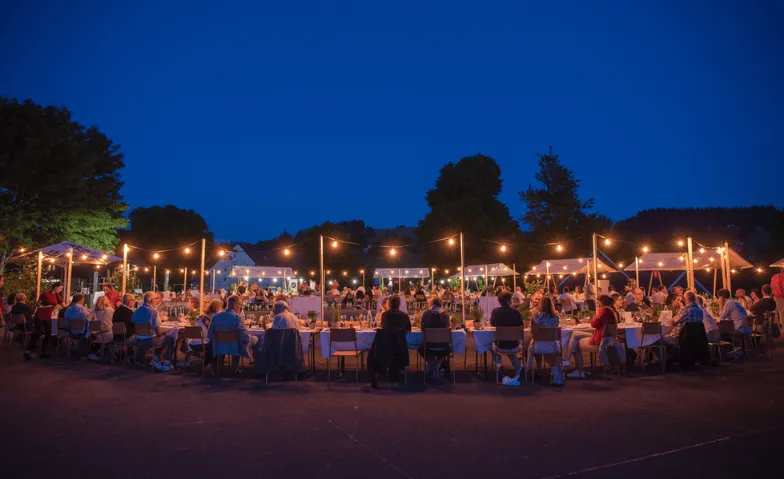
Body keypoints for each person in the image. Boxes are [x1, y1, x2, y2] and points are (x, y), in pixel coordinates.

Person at [567, 295, 623, 378]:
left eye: (597, 302)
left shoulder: (604, 310)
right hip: (604, 337)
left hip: (600, 339)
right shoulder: (611, 310)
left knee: (576, 342)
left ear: (601, 302)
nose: (596, 304)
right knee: (575, 334)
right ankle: (568, 361)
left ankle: (578, 369)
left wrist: (597, 313)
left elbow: (593, 324)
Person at [207, 295, 256, 370]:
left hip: (218, 346)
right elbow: (243, 336)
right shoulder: (237, 317)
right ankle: (239, 368)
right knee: (255, 340)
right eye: (240, 305)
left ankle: (218, 368)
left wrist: (220, 339)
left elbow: (210, 334)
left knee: (241, 340)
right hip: (234, 348)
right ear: (235, 305)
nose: (240, 307)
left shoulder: (215, 316)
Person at [131, 292, 174, 371]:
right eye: (156, 299)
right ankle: (166, 363)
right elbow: (158, 331)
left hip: (137, 340)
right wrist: (162, 333)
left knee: (161, 338)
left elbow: (133, 322)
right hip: (149, 340)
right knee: (170, 339)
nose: (157, 300)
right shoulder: (153, 312)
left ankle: (154, 359)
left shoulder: (137, 311)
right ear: (151, 300)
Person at [490, 291, 524, 378]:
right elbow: (521, 326)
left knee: (490, 345)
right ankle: (518, 367)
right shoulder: (516, 313)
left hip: (500, 344)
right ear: (509, 301)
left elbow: (492, 324)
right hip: (514, 344)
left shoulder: (495, 312)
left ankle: (499, 364)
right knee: (510, 348)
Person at [419, 297, 450, 380]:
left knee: (421, 348)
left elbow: (422, 329)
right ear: (441, 304)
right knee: (449, 348)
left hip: (428, 345)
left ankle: (433, 365)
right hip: (443, 345)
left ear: (431, 304)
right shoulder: (445, 315)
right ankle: (438, 365)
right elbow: (448, 327)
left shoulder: (425, 314)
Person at [185, 299, 221, 370]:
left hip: (191, 343)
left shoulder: (202, 317)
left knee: (214, 343)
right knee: (217, 344)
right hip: (202, 343)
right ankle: (210, 366)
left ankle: (206, 364)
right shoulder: (213, 318)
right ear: (217, 308)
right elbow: (212, 333)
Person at [88, 295, 114, 361]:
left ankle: (101, 353)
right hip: (110, 335)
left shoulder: (94, 311)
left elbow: (88, 320)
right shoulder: (110, 310)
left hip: (98, 336)